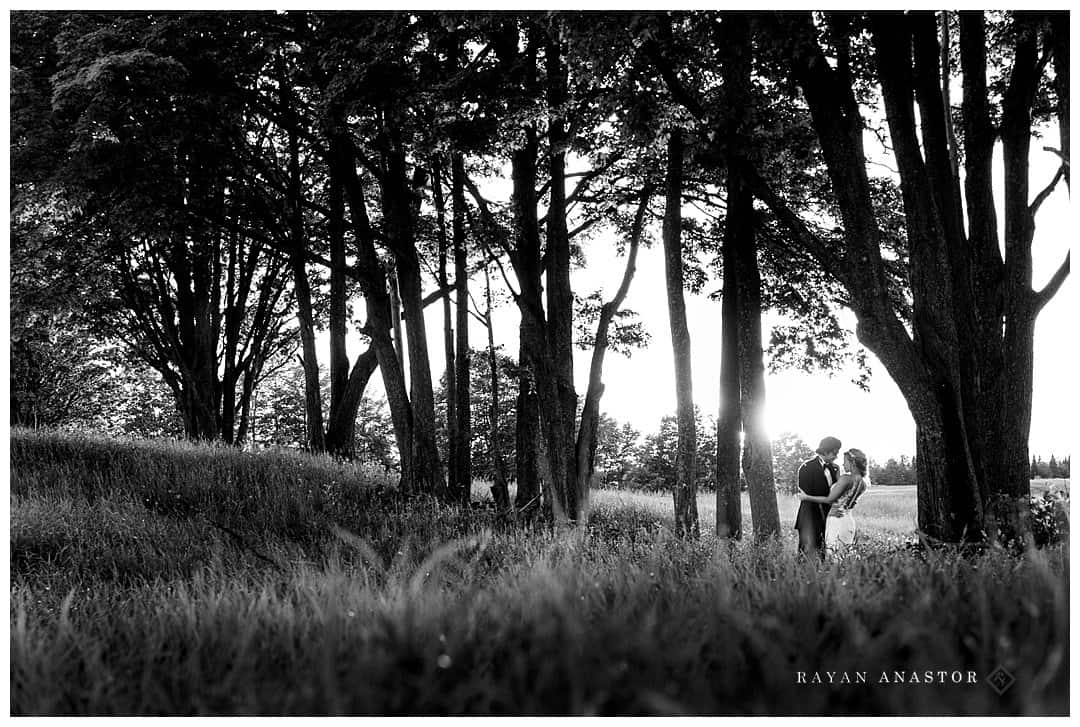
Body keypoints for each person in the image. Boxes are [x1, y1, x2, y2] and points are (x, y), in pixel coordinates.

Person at [798, 448, 870, 558]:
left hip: (836, 519)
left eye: (845, 461)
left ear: (852, 463)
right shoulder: (863, 482)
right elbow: (845, 495)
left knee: (833, 554)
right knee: (843, 553)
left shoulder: (846, 479)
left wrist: (806, 497)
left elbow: (829, 500)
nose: (842, 463)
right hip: (848, 520)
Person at [794, 436, 842, 559]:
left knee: (824, 552)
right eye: (834, 453)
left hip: (829, 516)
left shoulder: (834, 468)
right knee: (806, 553)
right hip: (810, 516)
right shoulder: (806, 468)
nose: (836, 456)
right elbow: (806, 494)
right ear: (825, 451)